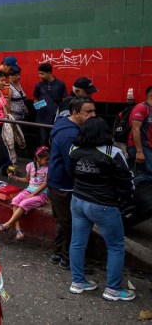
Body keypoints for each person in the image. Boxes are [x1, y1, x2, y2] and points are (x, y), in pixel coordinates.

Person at [69, 117, 135, 301]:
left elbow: (71, 171)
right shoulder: (112, 152)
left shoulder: (74, 149)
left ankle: (77, 282)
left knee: (77, 242)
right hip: (104, 204)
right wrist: (124, 198)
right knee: (115, 246)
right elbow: (126, 180)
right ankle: (113, 290)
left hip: (78, 200)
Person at [47, 96, 96, 270]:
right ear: (75, 113)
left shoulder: (63, 122)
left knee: (63, 221)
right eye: (88, 112)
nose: (93, 115)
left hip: (57, 183)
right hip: (63, 186)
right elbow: (72, 165)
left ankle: (58, 254)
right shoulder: (71, 134)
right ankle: (68, 259)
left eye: (93, 110)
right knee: (72, 225)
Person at [0, 146, 50, 240]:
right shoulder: (30, 166)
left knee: (24, 203)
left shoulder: (48, 169)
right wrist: (15, 178)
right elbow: (27, 180)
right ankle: (18, 230)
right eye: (46, 159)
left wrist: (33, 194)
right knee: (15, 200)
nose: (48, 161)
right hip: (28, 190)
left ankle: (7, 225)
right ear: (38, 158)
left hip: (41, 195)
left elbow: (45, 184)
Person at [34, 63, 67, 145]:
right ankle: (43, 157)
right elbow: (35, 99)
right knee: (43, 140)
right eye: (39, 73)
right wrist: (37, 106)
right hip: (42, 118)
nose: (40, 76)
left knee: (54, 140)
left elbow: (64, 100)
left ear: (49, 73)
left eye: (42, 73)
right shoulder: (39, 85)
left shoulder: (60, 84)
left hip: (55, 118)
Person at [128, 85, 152, 176]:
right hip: (140, 147)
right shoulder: (141, 107)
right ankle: (131, 186)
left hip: (148, 147)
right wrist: (139, 151)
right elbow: (135, 129)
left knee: (139, 172)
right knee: (150, 174)